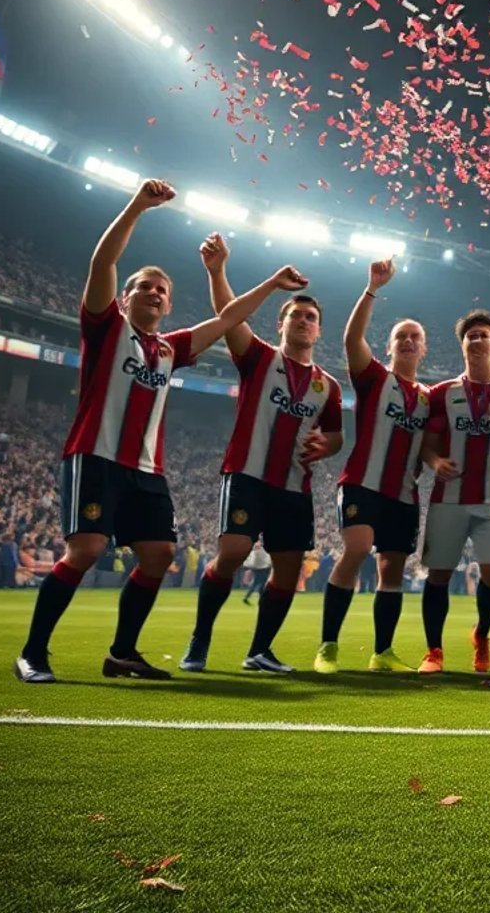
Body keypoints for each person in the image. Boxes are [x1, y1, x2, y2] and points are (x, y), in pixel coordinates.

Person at [15, 179, 308, 684]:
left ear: (169, 306)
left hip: (148, 470)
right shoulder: (106, 327)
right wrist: (137, 207)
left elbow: (228, 318)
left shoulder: (170, 348)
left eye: (162, 291)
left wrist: (268, 283)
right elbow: (101, 263)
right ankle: (33, 653)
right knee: (84, 551)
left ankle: (123, 652)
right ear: (125, 298)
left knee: (159, 554)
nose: (153, 293)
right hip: (97, 455)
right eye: (145, 287)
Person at [183, 233, 343, 675]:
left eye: (311, 317)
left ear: (319, 329)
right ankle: (200, 639)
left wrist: (327, 444)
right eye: (297, 315)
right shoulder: (257, 357)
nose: (304, 322)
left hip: (294, 486)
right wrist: (218, 272)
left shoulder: (327, 386)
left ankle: (260, 650)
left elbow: (336, 437)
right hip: (247, 475)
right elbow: (228, 317)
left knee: (289, 569)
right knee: (232, 552)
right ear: (281, 323)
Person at [314, 259, 430, 674]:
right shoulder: (373, 378)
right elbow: (351, 339)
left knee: (392, 567)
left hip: (403, 494)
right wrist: (372, 289)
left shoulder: (430, 398)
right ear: (389, 345)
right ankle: (327, 645)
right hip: (362, 484)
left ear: (424, 348)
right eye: (402, 336)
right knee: (358, 549)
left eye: (415, 337)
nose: (408, 341)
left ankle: (382, 652)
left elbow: (440, 442)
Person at [415, 311, 490, 681]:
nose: (478, 341)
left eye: (485, 336)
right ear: (463, 345)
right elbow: (427, 445)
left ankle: (481, 633)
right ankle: (434, 650)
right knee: (438, 574)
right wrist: (435, 461)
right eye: (472, 336)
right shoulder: (442, 394)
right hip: (447, 497)